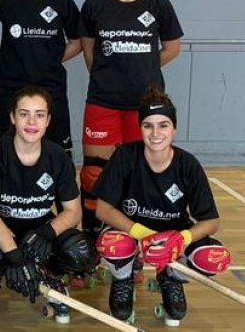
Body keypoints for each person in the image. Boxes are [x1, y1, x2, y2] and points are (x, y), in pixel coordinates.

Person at [92, 87, 231, 326]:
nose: (156, 133)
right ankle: (123, 279)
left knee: (209, 257)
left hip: (173, 236)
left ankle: (171, 278)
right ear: (140, 128)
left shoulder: (188, 165)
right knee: (113, 244)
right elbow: (102, 210)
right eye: (148, 125)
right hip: (130, 231)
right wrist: (144, 235)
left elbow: (211, 222)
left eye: (163, 125)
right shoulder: (125, 156)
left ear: (174, 128)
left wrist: (181, 239)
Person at [79, 0, 183, 244]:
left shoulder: (158, 4)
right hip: (103, 101)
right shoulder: (94, 6)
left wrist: (145, 69)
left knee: (138, 172)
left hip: (145, 105)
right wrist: (111, 77)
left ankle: (131, 243)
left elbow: (172, 49)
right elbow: (90, 54)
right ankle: (90, 242)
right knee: (94, 173)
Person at [0, 86, 95, 325]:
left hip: (39, 233)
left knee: (79, 249)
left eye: (39, 114)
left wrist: (47, 232)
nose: (31, 121)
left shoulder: (58, 157)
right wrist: (14, 257)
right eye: (24, 113)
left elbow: (73, 211)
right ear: (12, 117)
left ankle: (51, 275)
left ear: (48, 120)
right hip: (4, 231)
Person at [0, 0, 83, 152]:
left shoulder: (61, 0)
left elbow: (77, 42)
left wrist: (52, 59)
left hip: (51, 88)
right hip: (10, 88)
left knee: (55, 150)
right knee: (4, 149)